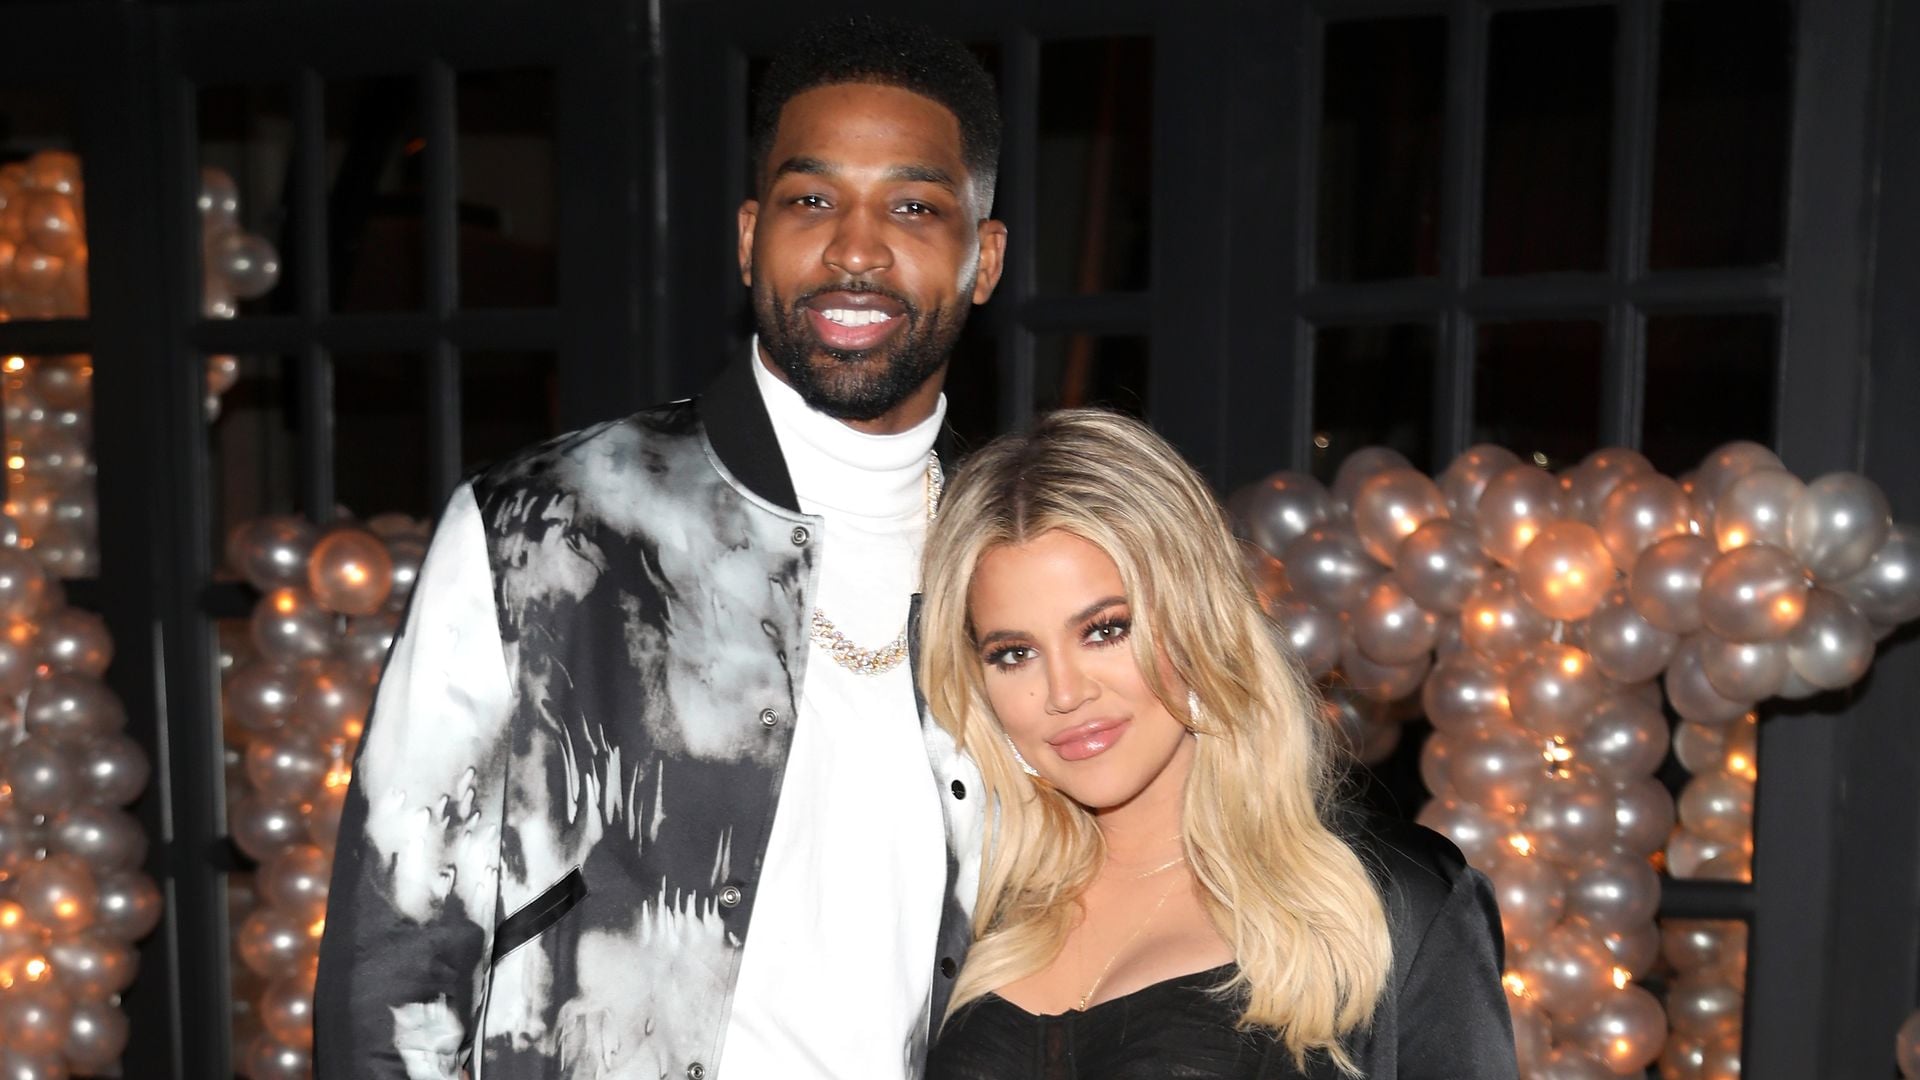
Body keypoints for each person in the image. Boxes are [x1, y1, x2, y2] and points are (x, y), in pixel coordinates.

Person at [314, 17, 1005, 1080]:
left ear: (983, 257)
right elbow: (401, 955)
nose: (855, 250)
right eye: (810, 200)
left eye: (913, 207)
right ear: (746, 236)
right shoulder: (540, 529)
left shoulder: (1019, 562)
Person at [916, 410, 1518, 1079]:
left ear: (1196, 619)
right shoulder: (965, 910)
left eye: (1106, 630)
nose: (1063, 692)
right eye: (1014, 653)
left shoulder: (1393, 905)